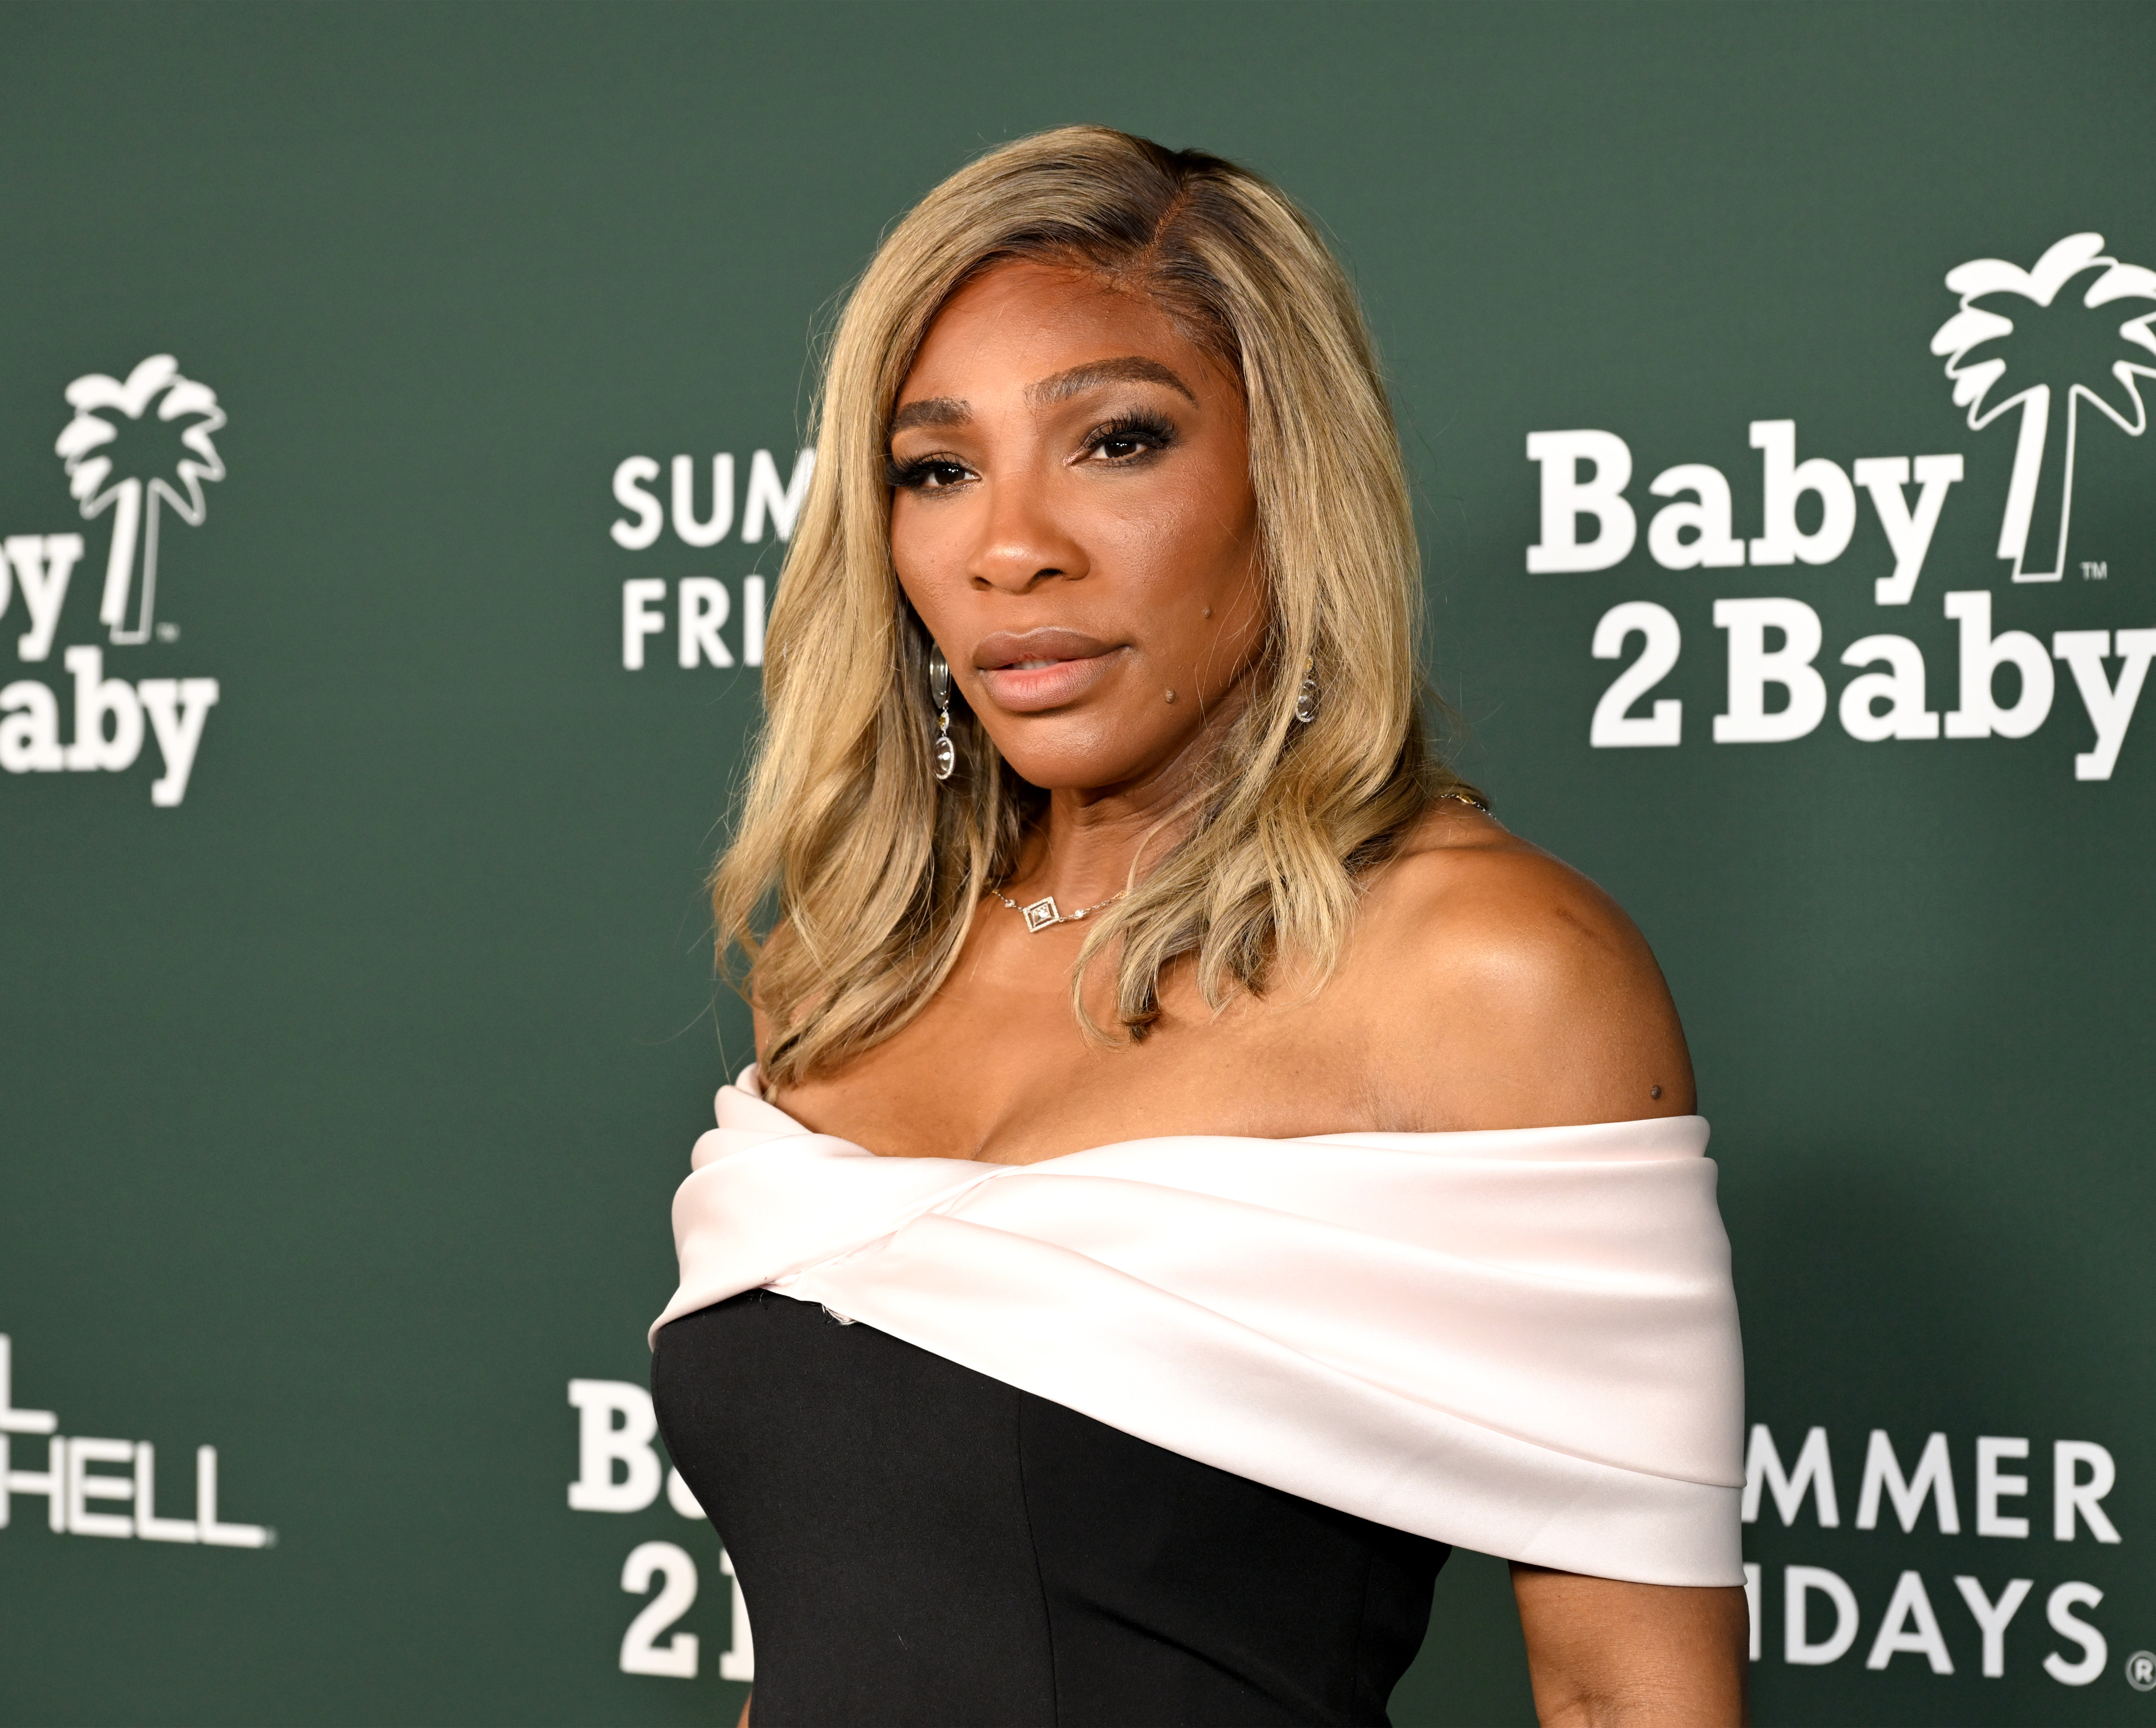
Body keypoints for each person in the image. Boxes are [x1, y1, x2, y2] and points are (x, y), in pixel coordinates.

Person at [651, 126, 1748, 1728]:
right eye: (936, 468)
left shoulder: (1486, 974)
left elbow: (1625, 1704)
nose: (1012, 546)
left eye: (1115, 442)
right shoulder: (846, 965)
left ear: (1286, 481)